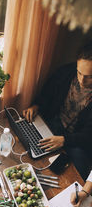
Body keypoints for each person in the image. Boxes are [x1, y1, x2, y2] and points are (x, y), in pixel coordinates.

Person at [23, 41, 92, 180]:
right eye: (79, 73)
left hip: (79, 141)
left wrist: (65, 140)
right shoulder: (66, 72)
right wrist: (36, 105)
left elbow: (89, 136)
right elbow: (47, 93)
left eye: (90, 76)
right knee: (29, 150)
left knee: (80, 176)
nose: (82, 80)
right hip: (54, 123)